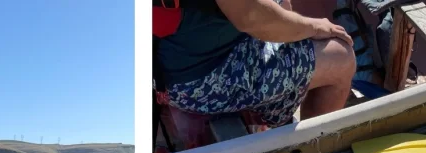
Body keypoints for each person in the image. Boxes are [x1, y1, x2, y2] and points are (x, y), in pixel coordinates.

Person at [153, 0, 356, 127]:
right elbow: (252, 17)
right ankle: (311, 151)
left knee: (282, 7)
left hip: (177, 59)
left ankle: (278, 111)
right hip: (200, 79)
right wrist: (316, 27)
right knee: (340, 56)